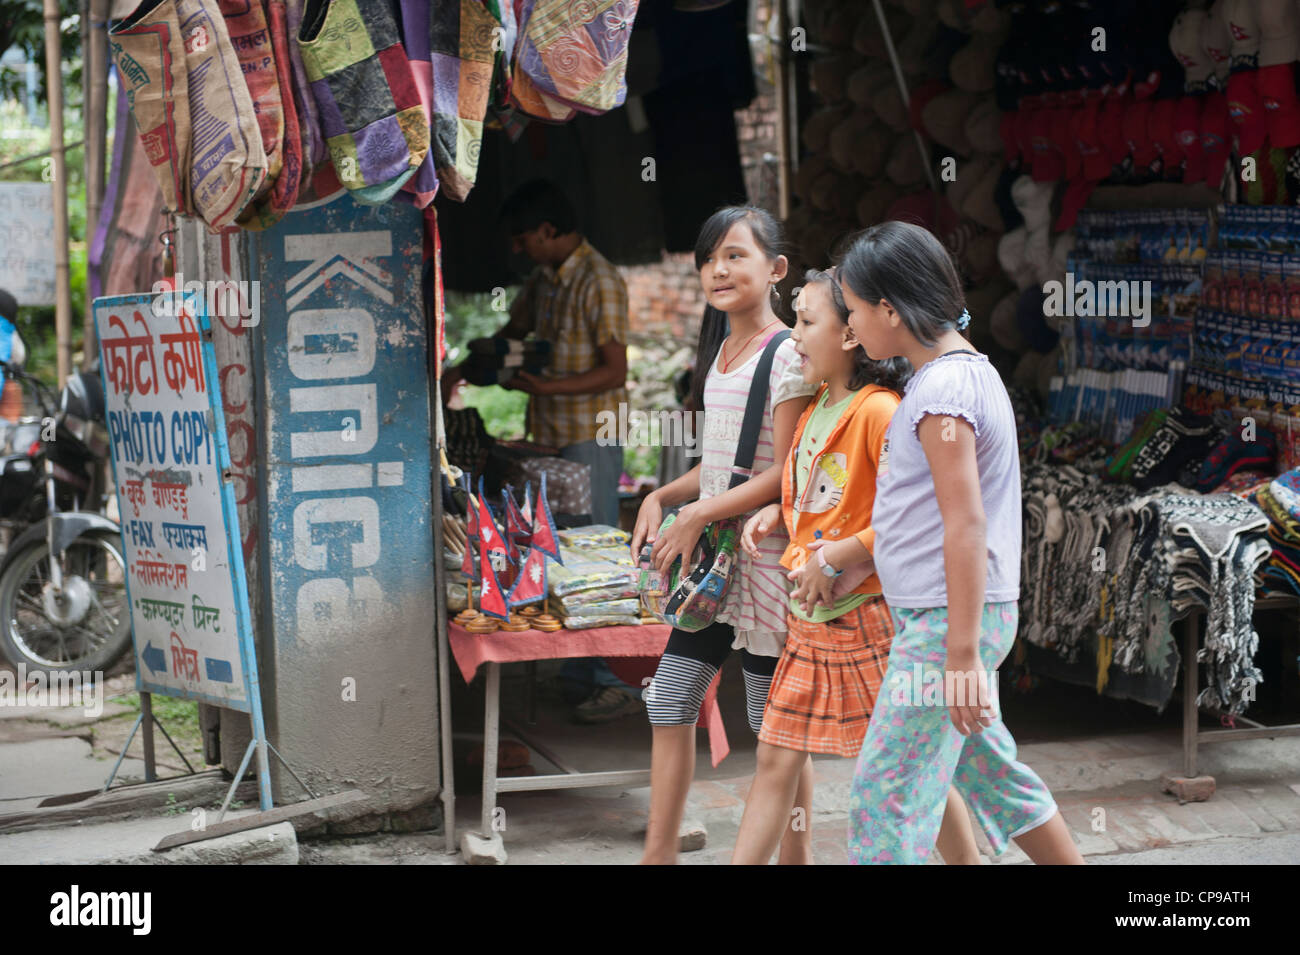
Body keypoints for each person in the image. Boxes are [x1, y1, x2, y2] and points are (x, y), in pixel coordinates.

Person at [833, 221, 1083, 865]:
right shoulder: (955, 377)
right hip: (950, 620)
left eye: (854, 310)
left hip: (948, 626)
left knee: (884, 797)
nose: (850, 327)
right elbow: (920, 515)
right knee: (993, 778)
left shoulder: (944, 389)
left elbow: (964, 522)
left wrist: (962, 654)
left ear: (890, 308)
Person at [730, 269, 982, 865]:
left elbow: (908, 517)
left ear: (851, 335)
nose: (792, 337)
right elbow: (817, 497)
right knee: (775, 756)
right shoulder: (818, 405)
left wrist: (836, 556)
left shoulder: (880, 411)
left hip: (867, 622)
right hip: (810, 620)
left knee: (910, 763)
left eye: (806, 322)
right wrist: (778, 513)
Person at [631, 206, 817, 865]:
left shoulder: (790, 352)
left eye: (736, 254)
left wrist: (700, 514)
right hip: (717, 570)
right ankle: (658, 855)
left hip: (764, 565)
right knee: (672, 698)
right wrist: (665, 494)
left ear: (777, 269)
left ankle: (796, 860)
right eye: (710, 257)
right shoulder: (722, 353)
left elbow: (786, 472)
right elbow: (722, 461)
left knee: (774, 729)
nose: (719, 269)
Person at [445, 180, 637, 723]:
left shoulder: (599, 280)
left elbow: (615, 371)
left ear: (549, 231)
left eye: (523, 238)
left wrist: (543, 387)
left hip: (588, 434)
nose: (516, 249)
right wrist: (467, 366)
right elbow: (515, 330)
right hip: (548, 434)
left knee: (591, 553)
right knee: (554, 549)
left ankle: (606, 680)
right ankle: (577, 671)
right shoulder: (545, 279)